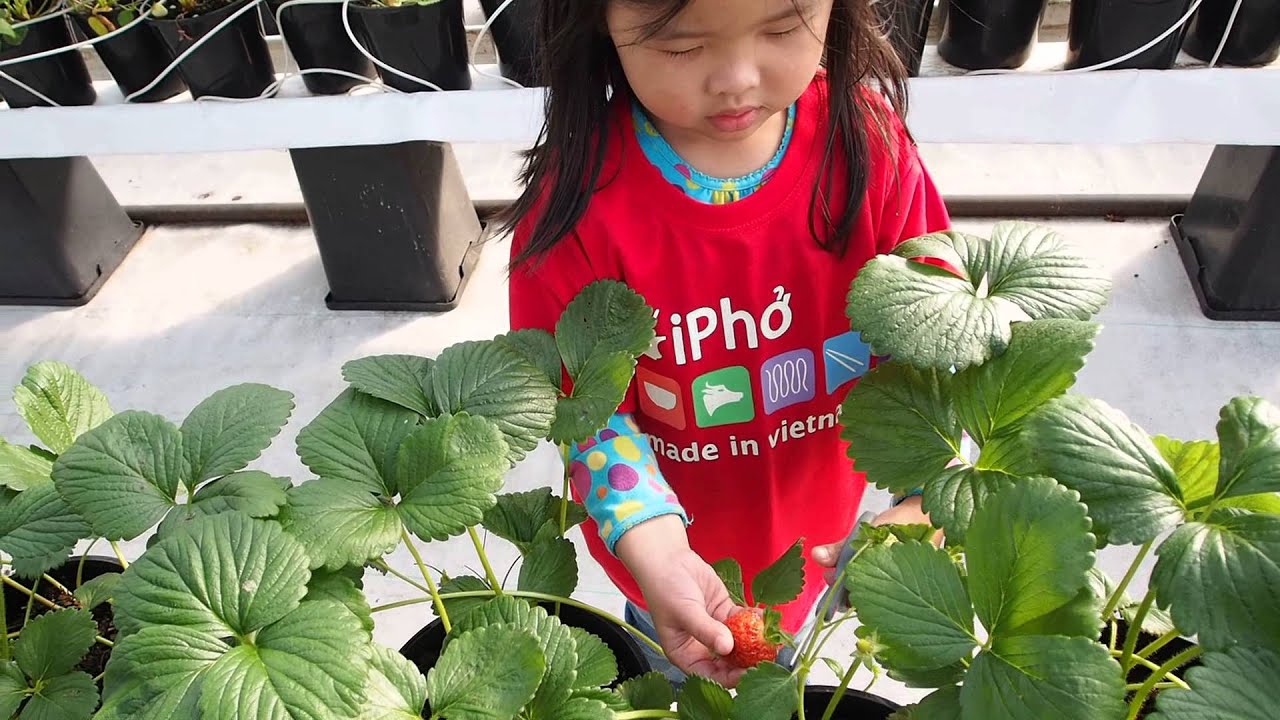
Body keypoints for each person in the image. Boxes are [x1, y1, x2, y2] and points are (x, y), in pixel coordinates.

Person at [505, 0, 950, 689]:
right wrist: (655, 548)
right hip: (670, 569)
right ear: (597, 21)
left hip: (824, 537)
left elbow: (934, 338)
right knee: (686, 679)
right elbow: (582, 410)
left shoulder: (869, 148)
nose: (737, 78)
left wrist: (931, 497)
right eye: (682, 47)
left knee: (787, 680)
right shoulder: (579, 206)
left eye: (782, 27)